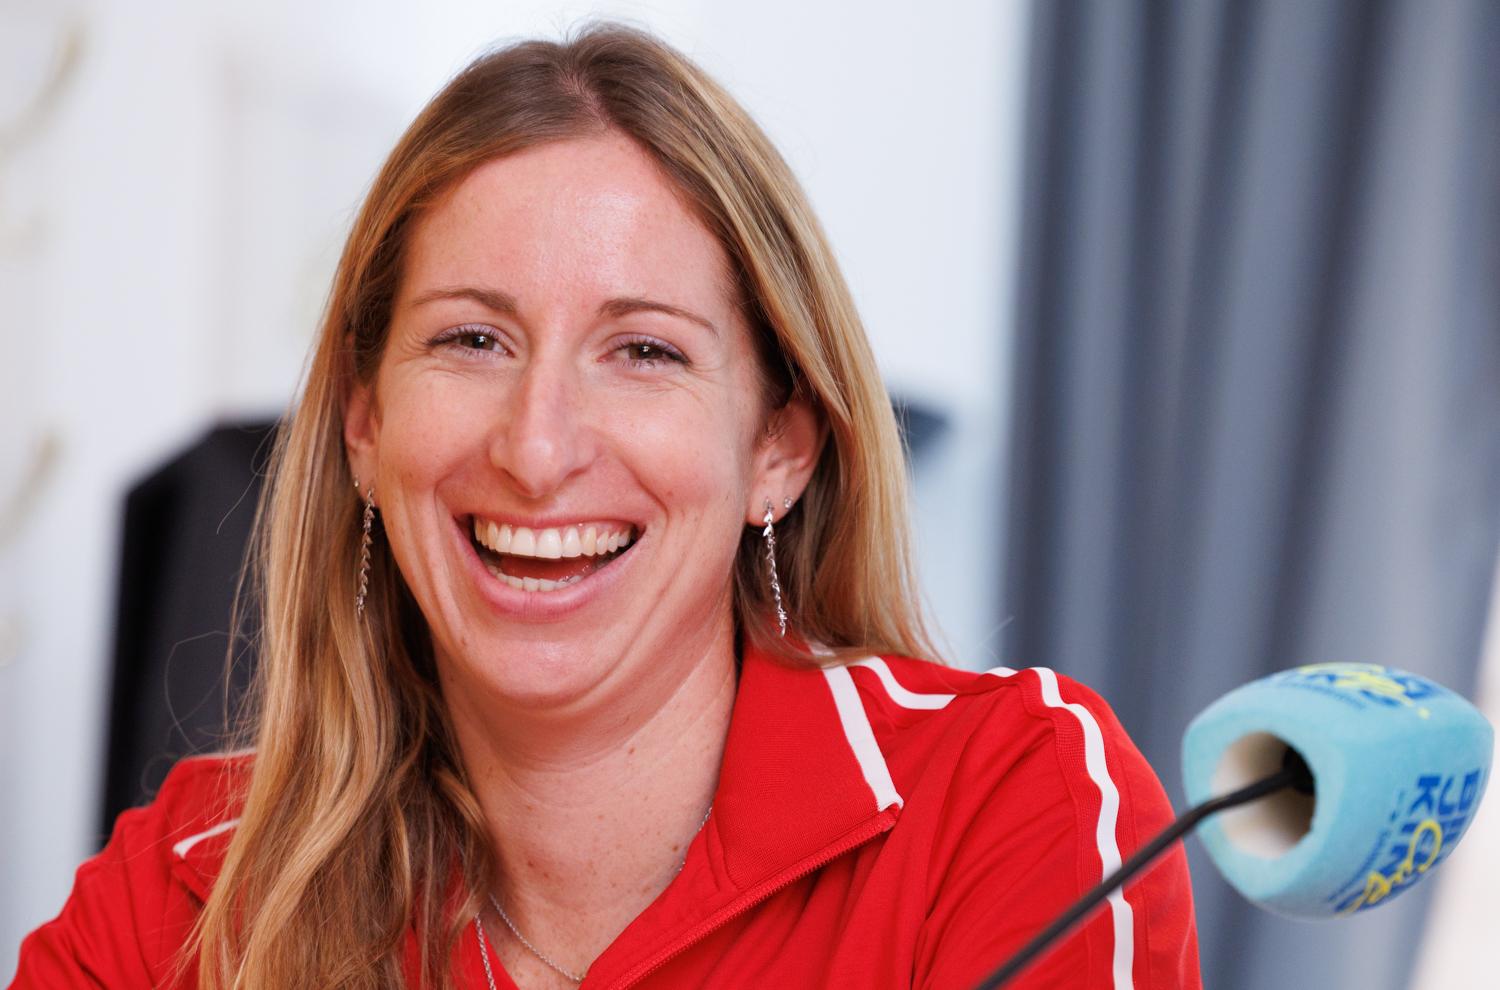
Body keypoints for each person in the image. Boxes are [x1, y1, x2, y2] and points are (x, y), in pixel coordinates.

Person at [11, 24, 1201, 990]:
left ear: (780, 446)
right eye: (472, 339)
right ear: (364, 425)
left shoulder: (1010, 800)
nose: (537, 449)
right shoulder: (185, 890)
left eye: (642, 351)